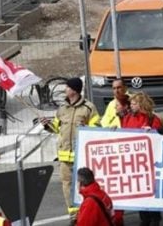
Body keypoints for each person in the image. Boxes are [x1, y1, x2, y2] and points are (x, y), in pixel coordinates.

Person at [40, 77, 99, 220]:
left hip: (81, 156)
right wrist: (47, 125)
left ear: (74, 90)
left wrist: (87, 129)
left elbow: (97, 126)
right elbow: (56, 128)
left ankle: (87, 211)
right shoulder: (62, 109)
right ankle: (74, 214)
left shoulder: (88, 107)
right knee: (67, 185)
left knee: (85, 185)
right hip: (64, 157)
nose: (65, 90)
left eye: (67, 87)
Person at [119, 92, 163, 226]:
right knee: (138, 190)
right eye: (131, 104)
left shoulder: (152, 119)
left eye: (134, 104)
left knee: (150, 190)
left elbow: (161, 136)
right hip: (133, 161)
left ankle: (155, 217)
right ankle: (144, 218)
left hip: (148, 161)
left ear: (141, 104)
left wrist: (152, 131)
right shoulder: (127, 118)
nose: (131, 106)